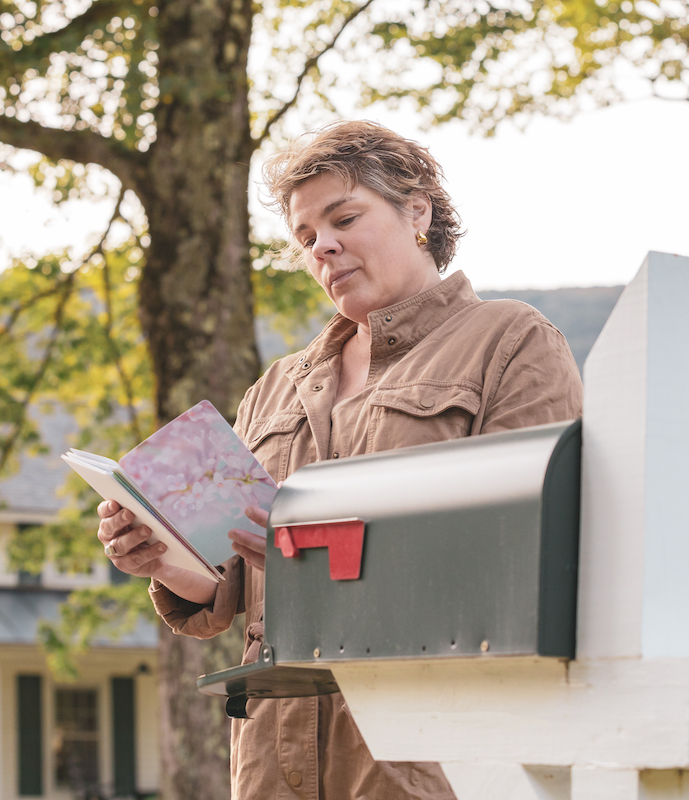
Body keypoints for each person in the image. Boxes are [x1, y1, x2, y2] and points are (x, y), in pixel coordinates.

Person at [95, 120, 583, 799]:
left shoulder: (509, 342)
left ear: (417, 210)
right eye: (304, 237)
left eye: (344, 217)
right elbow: (232, 588)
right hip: (270, 758)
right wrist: (164, 558)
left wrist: (318, 553)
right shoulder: (273, 388)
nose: (322, 245)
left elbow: (524, 556)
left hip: (424, 759)